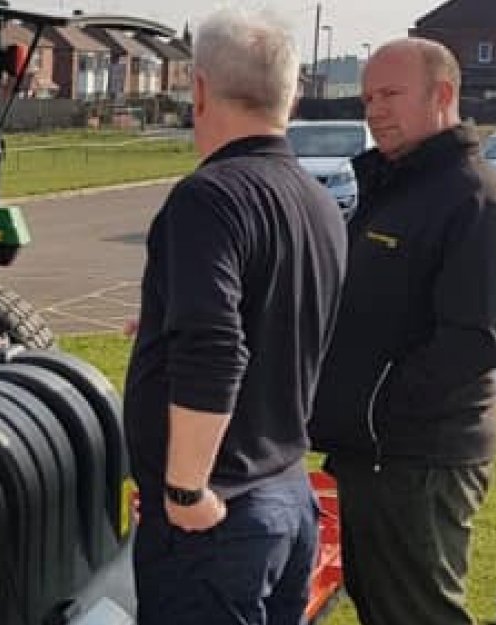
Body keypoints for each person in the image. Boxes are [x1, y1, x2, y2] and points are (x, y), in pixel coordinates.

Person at [123, 8, 347, 624]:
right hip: (285, 492)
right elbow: (275, 317)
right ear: (292, 96)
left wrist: (185, 488)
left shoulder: (210, 198)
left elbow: (217, 349)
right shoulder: (317, 200)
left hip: (218, 517)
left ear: (198, 89)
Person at [308, 38, 496, 625]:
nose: (375, 109)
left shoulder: (475, 199)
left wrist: (378, 408)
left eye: (392, 94)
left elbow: (480, 336)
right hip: (370, 453)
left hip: (419, 459)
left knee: (419, 613)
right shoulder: (396, 187)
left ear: (444, 94)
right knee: (381, 604)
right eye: (368, 97)